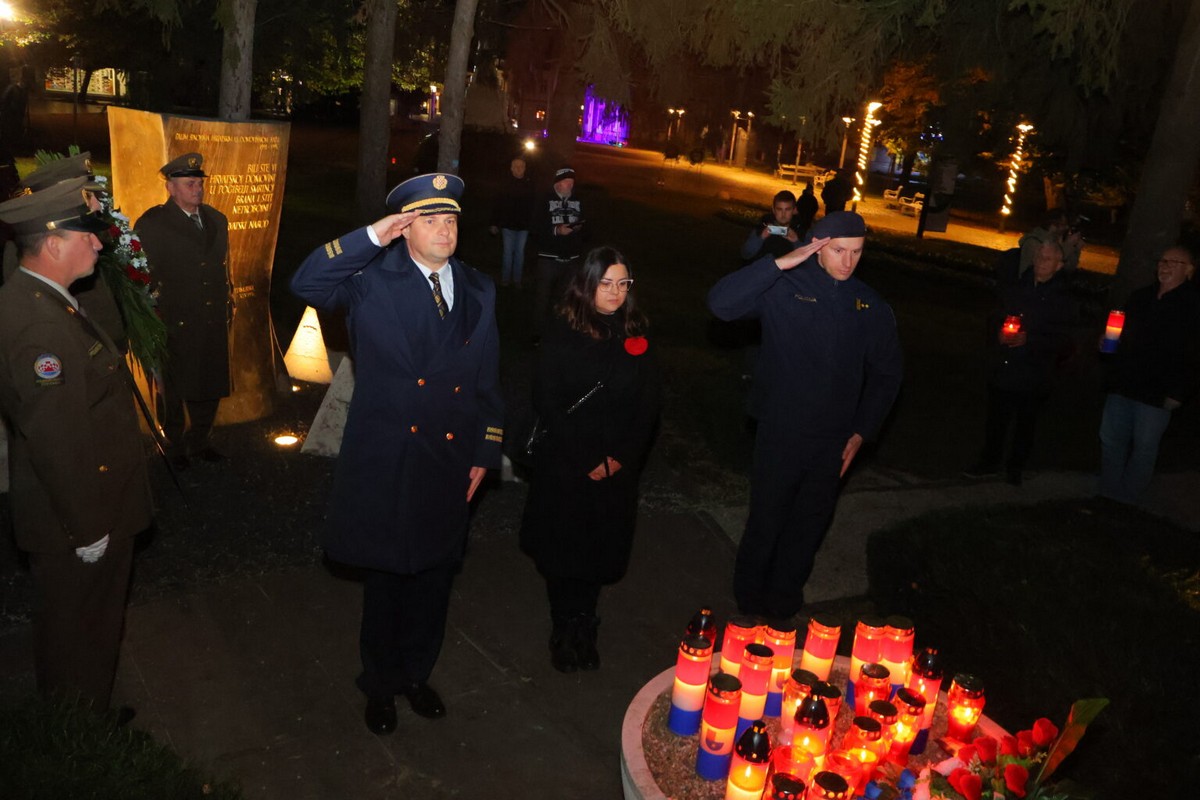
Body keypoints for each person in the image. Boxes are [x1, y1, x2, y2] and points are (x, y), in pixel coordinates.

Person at [290, 173, 504, 736]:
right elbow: (307, 282)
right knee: (386, 580)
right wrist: (370, 236)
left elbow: (488, 382)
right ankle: (380, 683)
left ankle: (416, 674)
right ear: (404, 229)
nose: (444, 229)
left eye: (451, 219)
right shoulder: (368, 280)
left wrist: (486, 449)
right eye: (429, 220)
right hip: (388, 454)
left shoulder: (479, 288)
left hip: (449, 458)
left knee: (434, 578)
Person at [0, 179, 153, 711]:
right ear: (53, 241)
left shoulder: (46, 299)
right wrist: (87, 527)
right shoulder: (40, 324)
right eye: (86, 233)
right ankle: (79, 732)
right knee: (78, 626)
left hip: (86, 500)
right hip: (78, 513)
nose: (98, 242)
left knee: (86, 621)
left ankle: (85, 713)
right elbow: (55, 438)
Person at [707, 211, 902, 620]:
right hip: (781, 429)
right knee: (767, 519)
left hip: (833, 440)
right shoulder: (784, 285)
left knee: (808, 526)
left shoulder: (869, 304)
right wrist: (777, 262)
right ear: (817, 246)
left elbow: (887, 375)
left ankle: (783, 605)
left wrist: (862, 433)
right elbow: (721, 304)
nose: (847, 262)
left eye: (856, 252)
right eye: (838, 251)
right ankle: (747, 602)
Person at [520, 246, 661, 673]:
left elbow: (649, 406)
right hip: (568, 465)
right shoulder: (563, 332)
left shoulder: (635, 332)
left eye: (623, 283)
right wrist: (586, 458)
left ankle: (586, 624)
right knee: (565, 553)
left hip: (616, 468)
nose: (615, 292)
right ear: (587, 284)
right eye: (606, 283)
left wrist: (622, 457)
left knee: (599, 552)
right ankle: (564, 628)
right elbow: (547, 401)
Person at [135, 152, 231, 469]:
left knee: (209, 381)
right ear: (170, 187)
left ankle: (200, 441)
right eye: (189, 183)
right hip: (175, 317)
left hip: (211, 316)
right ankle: (173, 446)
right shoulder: (153, 224)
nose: (197, 189)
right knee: (173, 388)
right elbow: (143, 275)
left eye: (199, 183)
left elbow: (218, 268)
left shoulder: (217, 219)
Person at [963, 241, 1077, 485]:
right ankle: (989, 461)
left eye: (1046, 259)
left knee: (1025, 424)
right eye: (1038, 257)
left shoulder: (1063, 300)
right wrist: (998, 333)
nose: (1039, 262)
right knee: (996, 420)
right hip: (1005, 366)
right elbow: (996, 315)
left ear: (1059, 265)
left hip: (1035, 373)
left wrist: (1031, 340)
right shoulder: (1019, 286)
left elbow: (1065, 340)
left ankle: (1016, 467)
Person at [1098, 244, 1200, 505]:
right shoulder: (1140, 297)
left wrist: (1179, 392)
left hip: (1158, 389)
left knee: (1144, 446)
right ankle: (1108, 492)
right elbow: (1121, 332)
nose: (1164, 266)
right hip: (1124, 381)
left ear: (1189, 270)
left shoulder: (1192, 306)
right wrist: (1109, 343)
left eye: (1173, 263)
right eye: (1162, 261)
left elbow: (1193, 355)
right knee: (1111, 438)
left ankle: (1128, 497)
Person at [533, 166, 586, 338]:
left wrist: (579, 230)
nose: (570, 185)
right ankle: (538, 333)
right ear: (557, 183)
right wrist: (557, 231)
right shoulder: (545, 200)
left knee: (566, 298)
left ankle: (560, 331)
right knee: (543, 297)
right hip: (549, 258)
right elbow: (536, 227)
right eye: (566, 182)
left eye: (572, 182)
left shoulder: (578, 200)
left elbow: (587, 226)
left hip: (571, 259)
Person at [489, 155, 534, 288]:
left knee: (520, 253)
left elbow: (533, 205)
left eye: (521, 166)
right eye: (516, 166)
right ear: (511, 168)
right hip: (508, 224)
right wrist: (494, 223)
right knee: (508, 253)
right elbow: (497, 204)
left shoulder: (529, 183)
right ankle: (505, 279)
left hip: (523, 225)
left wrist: (532, 223)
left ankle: (517, 280)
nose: (519, 169)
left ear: (525, 168)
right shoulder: (504, 184)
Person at [740, 190, 802, 262]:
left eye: (787, 209)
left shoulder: (801, 231)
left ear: (794, 210)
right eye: (779, 209)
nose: (783, 214)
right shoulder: (762, 226)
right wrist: (761, 237)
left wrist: (797, 242)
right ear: (773, 209)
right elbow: (745, 254)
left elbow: (808, 265)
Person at [1018, 210, 1082, 275]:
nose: (1066, 227)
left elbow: (1068, 269)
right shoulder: (1033, 242)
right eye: (1063, 225)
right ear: (1052, 226)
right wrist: (1068, 245)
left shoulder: (1055, 241)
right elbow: (1049, 267)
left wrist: (1076, 249)